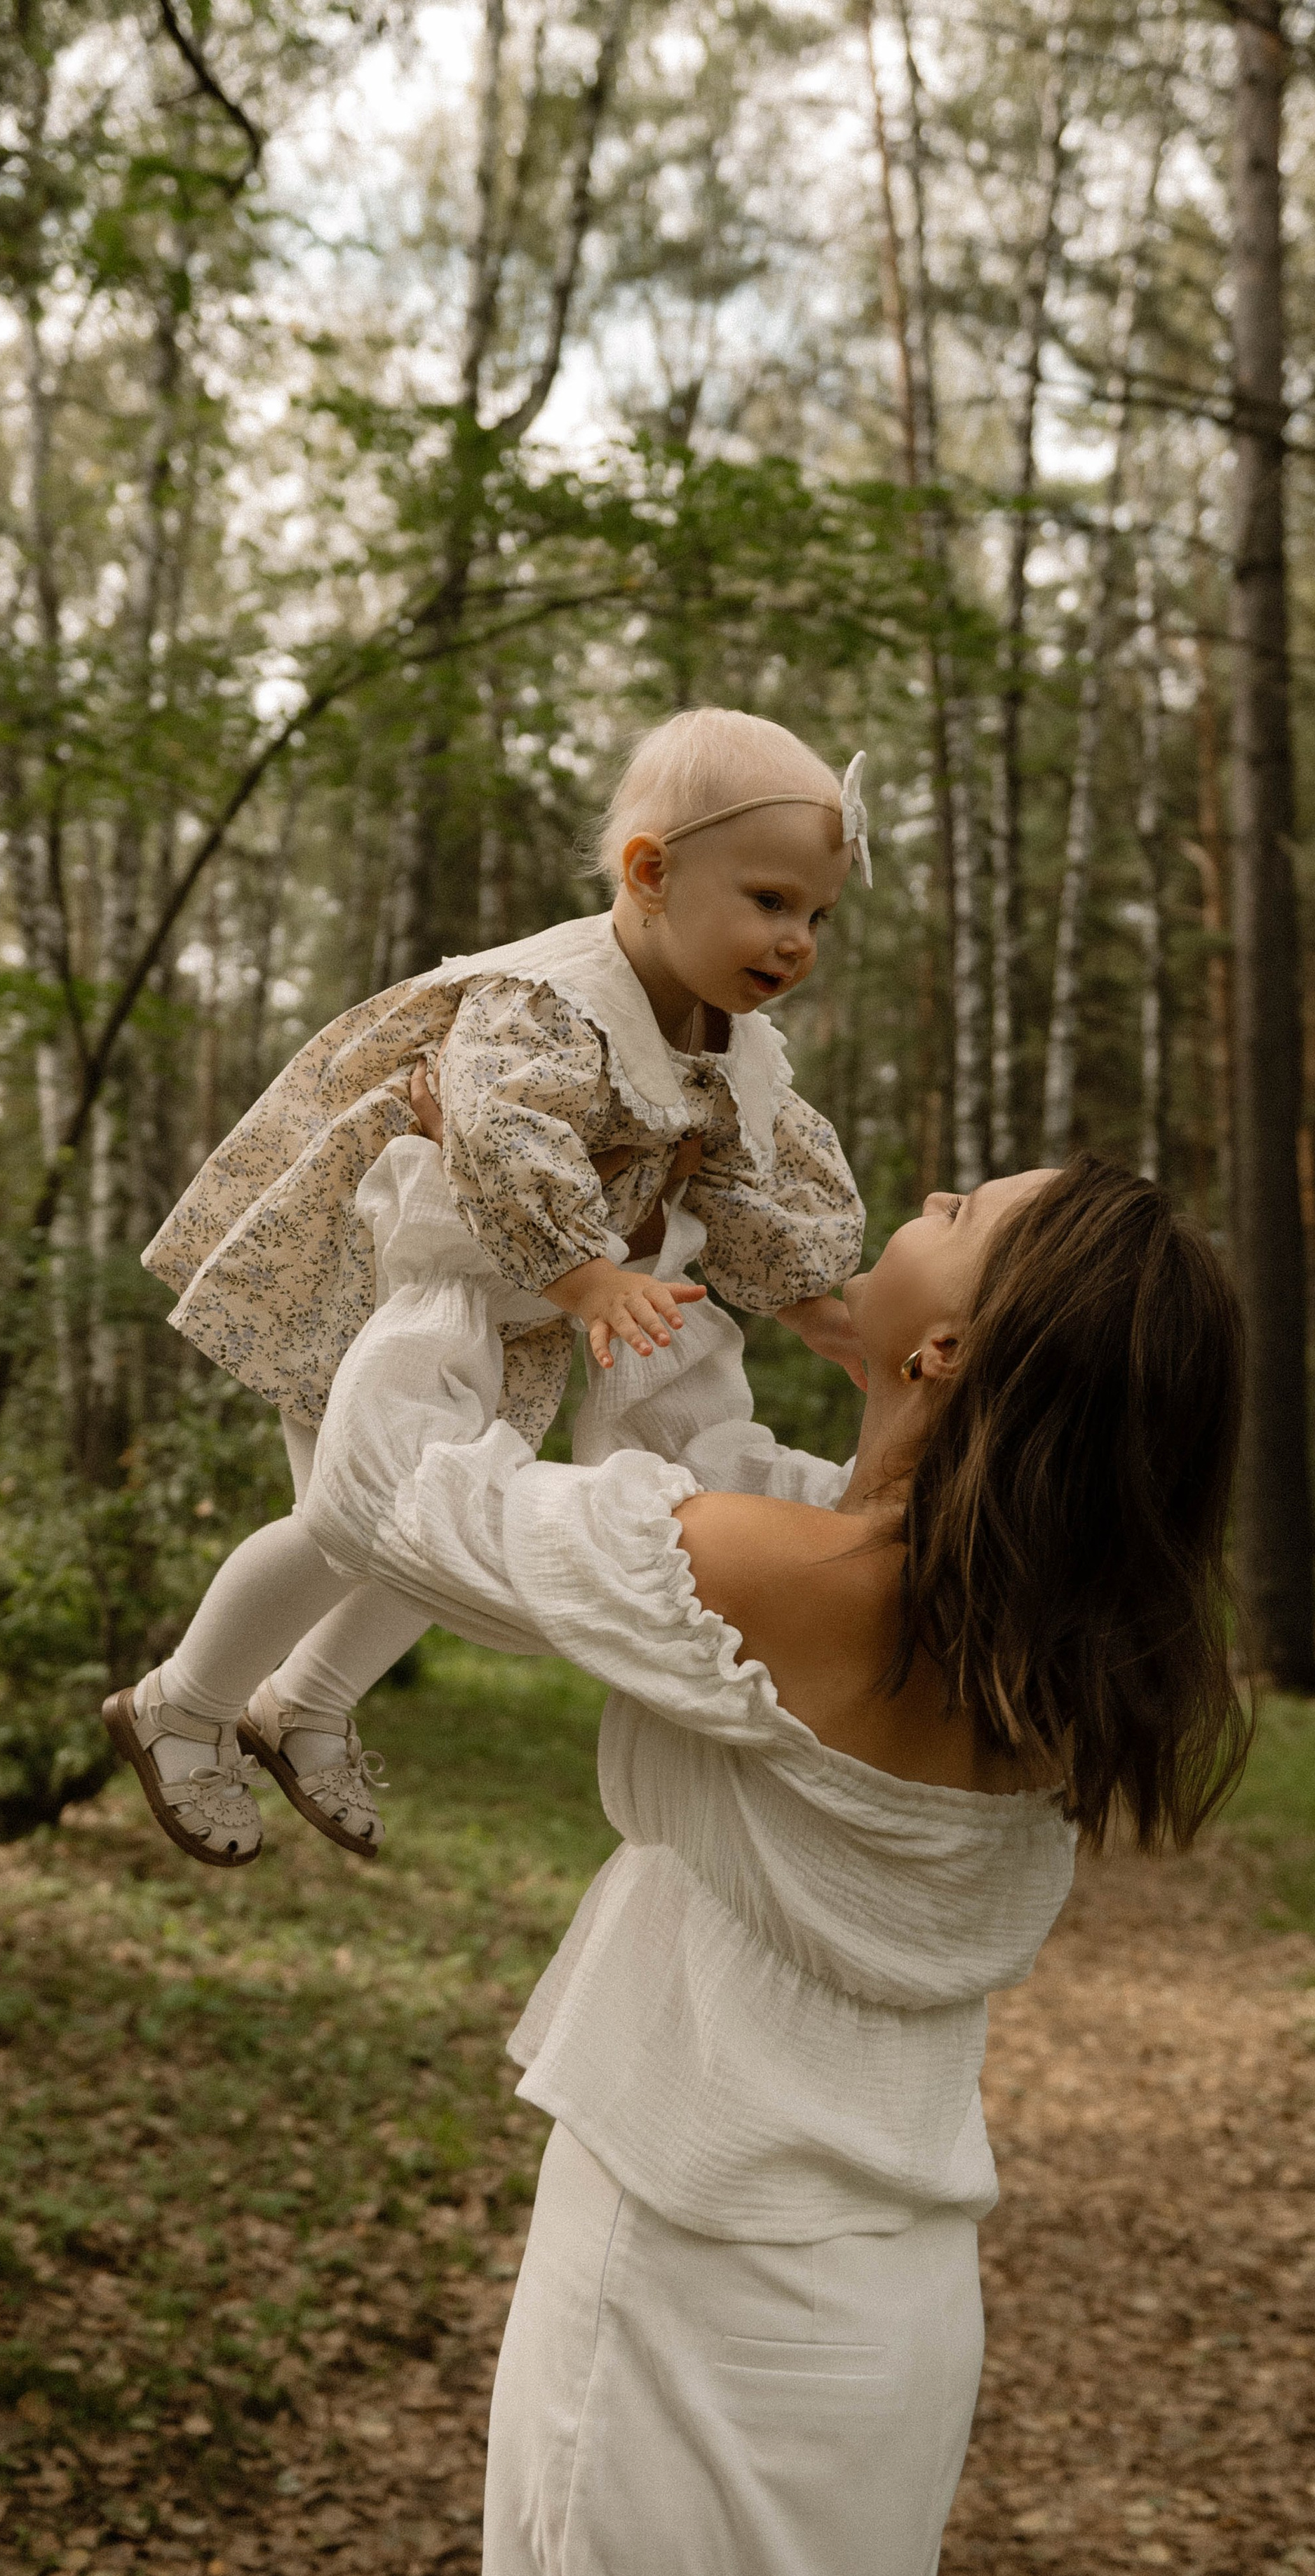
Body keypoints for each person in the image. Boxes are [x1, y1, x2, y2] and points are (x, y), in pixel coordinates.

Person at [298, 1090, 1251, 2576]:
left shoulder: (789, 1581)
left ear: (948, 1353)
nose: (926, 1192)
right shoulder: (1017, 1625)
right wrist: (646, 1247)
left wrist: (460, 1230)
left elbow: (390, 1491)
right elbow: (684, 1459)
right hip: (880, 2308)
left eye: (957, 1218)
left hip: (694, 2284)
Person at [106, 709, 872, 1871]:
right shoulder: (553, 1000)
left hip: (516, 1306)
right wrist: (589, 1271)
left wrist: (819, 1301)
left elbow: (752, 1175)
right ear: (652, 874)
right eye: (770, 901)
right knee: (344, 1521)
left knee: (451, 1518)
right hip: (388, 1280)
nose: (798, 938)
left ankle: (304, 1702)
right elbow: (504, 1130)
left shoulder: (732, 1052)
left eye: (817, 915)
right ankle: (180, 1702)